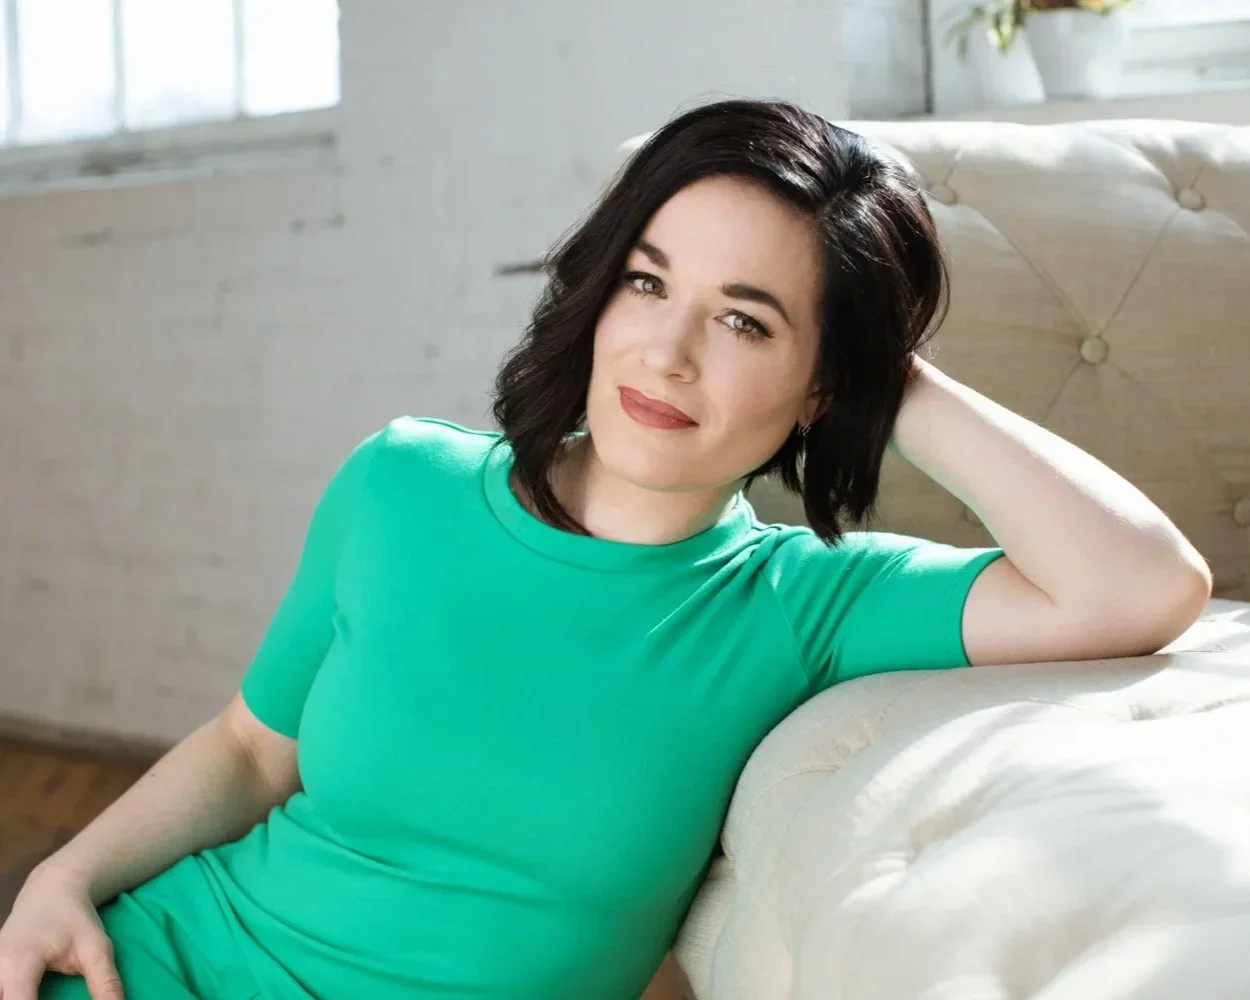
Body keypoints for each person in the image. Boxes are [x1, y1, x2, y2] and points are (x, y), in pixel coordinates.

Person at [0, 98, 1210, 1000]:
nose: (666, 353)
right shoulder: (401, 484)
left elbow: (1140, 583)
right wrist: (63, 878)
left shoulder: (799, 604)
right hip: (157, 962)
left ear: (816, 387)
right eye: (646, 283)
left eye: (744, 319)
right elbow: (250, 750)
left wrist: (884, 371)